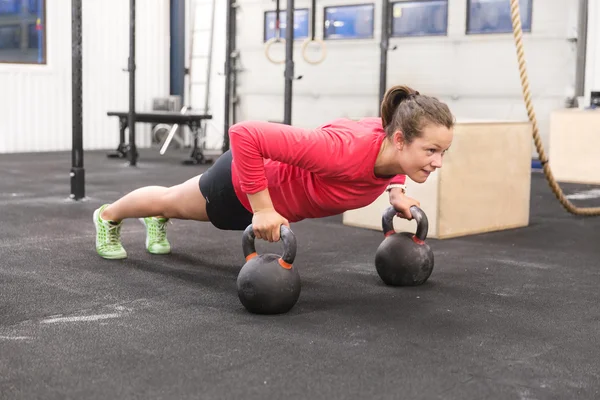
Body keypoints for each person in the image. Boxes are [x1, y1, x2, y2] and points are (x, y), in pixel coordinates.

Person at [93, 85, 454, 259]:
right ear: (401, 139)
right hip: (239, 188)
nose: (437, 161)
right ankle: (107, 216)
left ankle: (156, 218)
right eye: (431, 151)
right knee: (170, 200)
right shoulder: (340, 152)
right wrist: (263, 207)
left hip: (258, 195)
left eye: (443, 152)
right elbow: (245, 134)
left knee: (171, 201)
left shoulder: (390, 143)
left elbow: (392, 161)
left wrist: (395, 190)